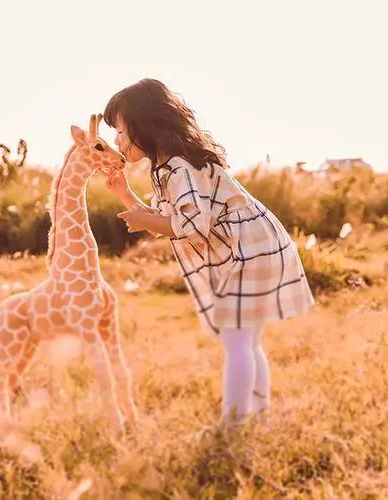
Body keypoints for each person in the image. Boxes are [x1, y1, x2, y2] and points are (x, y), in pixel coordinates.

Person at [103, 78, 315, 426]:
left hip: (249, 253)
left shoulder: (179, 169)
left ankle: (233, 427)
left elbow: (189, 225)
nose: (116, 141)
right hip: (255, 248)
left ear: (145, 125)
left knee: (237, 341)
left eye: (121, 132)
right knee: (246, 341)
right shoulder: (168, 167)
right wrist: (126, 196)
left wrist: (144, 219)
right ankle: (258, 418)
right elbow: (168, 219)